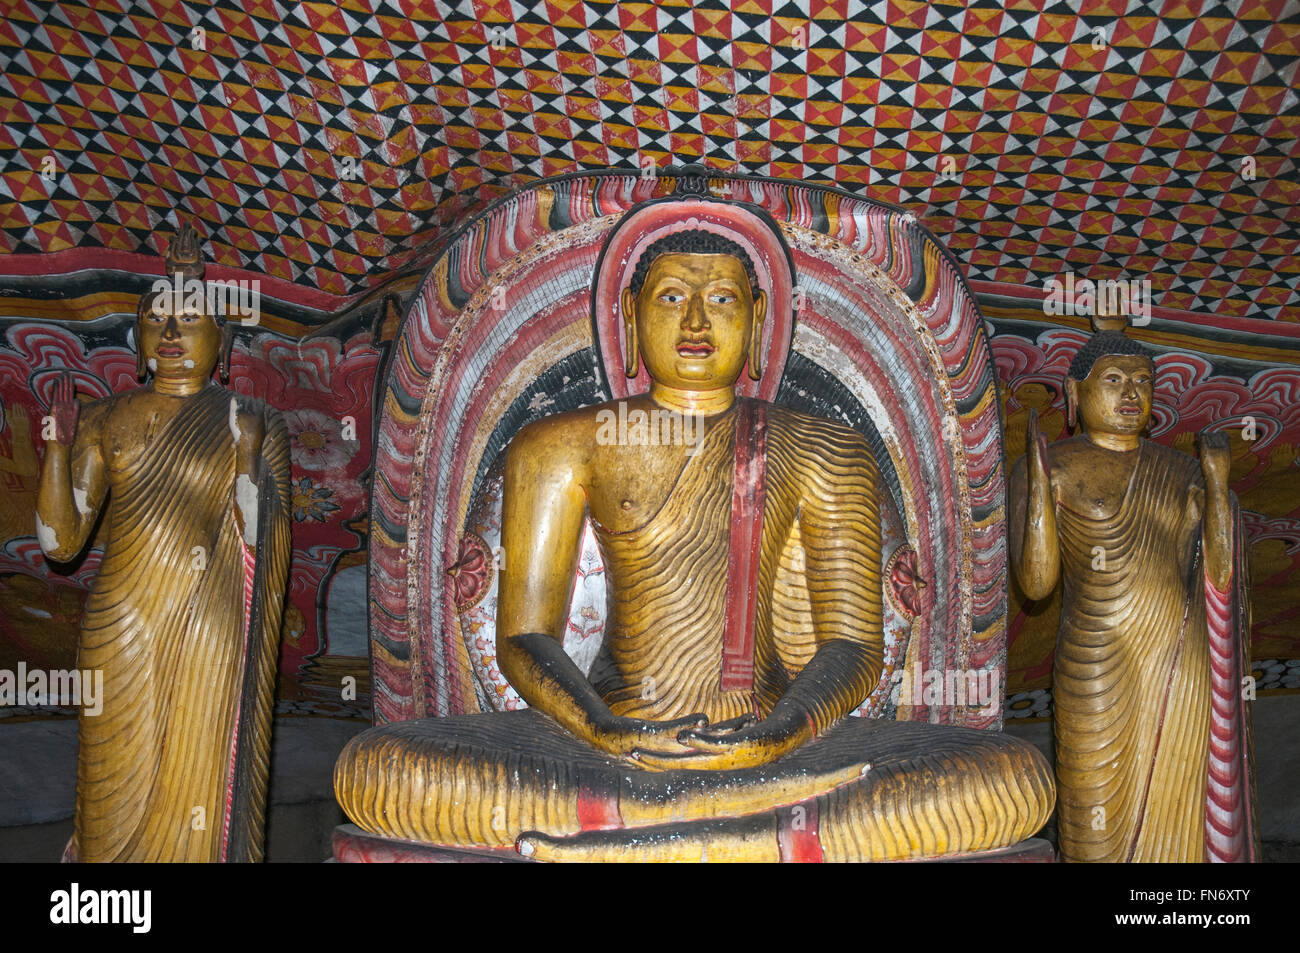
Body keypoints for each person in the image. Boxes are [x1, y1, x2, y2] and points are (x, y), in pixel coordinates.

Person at [334, 201, 1054, 862]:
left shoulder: (827, 449)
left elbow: (852, 646)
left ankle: (635, 834)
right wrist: (605, 731)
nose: (697, 326)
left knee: (1011, 780)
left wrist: (781, 732)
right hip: (601, 743)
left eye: (721, 299)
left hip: (780, 746)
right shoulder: (560, 445)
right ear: (628, 313)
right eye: (672, 297)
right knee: (379, 769)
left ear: (763, 315)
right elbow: (525, 637)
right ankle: (739, 831)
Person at [35, 224, 291, 862]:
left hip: (209, 628)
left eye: (190, 321)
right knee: (106, 794)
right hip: (120, 626)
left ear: (223, 342)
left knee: (197, 773)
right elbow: (61, 545)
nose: (172, 335)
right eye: (157, 322)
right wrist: (59, 451)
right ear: (138, 338)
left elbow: (261, 537)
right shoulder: (104, 418)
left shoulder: (252, 422)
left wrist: (248, 457)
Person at [1009, 330, 1256, 862]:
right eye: (1114, 381)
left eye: (1143, 383)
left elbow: (1220, 576)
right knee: (1094, 816)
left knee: (1185, 811)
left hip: (1183, 665)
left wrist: (1216, 489)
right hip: (1097, 662)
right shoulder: (1054, 464)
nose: (1130, 394)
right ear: (1075, 395)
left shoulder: (1185, 471)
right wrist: (1038, 483)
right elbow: (1036, 584)